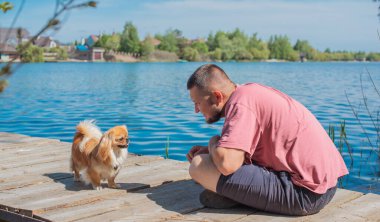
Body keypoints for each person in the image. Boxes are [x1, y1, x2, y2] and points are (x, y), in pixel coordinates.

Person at [186, 64, 348, 216]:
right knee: (211, 161)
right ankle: (238, 195)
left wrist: (213, 142)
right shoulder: (248, 93)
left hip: (305, 195)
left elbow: (228, 164)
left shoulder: (241, 105)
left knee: (200, 165)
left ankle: (236, 197)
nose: (195, 110)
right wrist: (214, 151)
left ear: (217, 96)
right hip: (326, 187)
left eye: (197, 103)